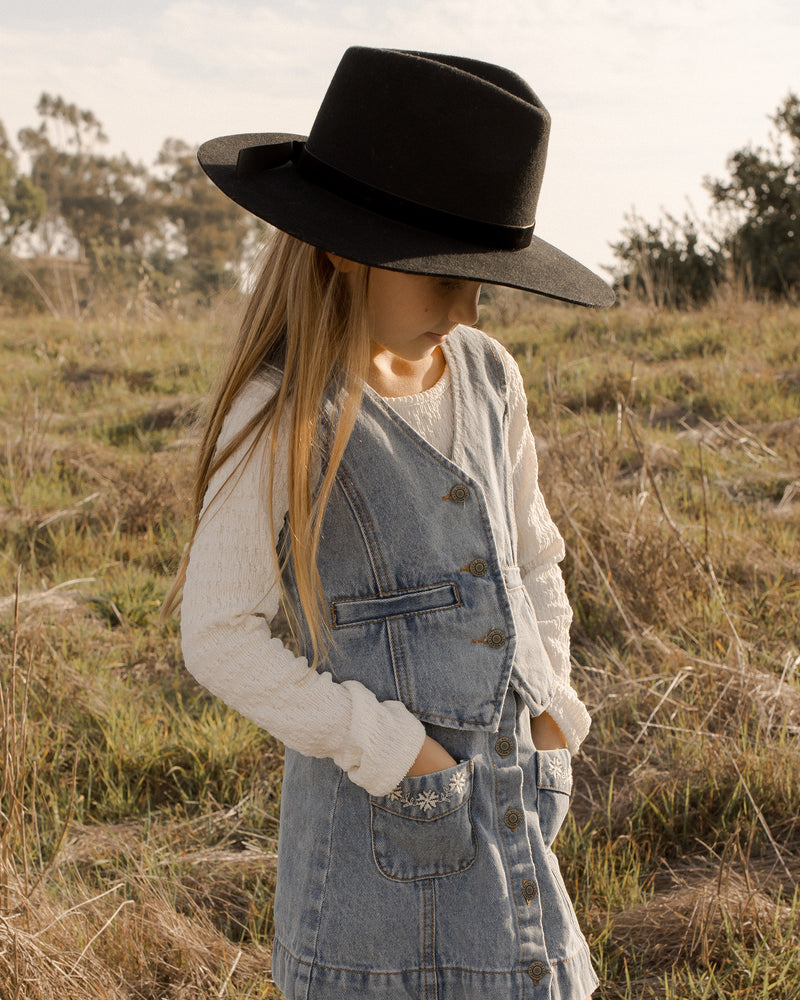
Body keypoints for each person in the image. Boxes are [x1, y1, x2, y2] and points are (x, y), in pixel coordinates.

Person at [170, 46, 613, 1000]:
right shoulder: (281, 408)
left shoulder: (490, 375)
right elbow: (217, 634)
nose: (465, 304)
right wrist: (390, 749)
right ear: (342, 243)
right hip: (377, 857)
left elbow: (534, 559)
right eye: (438, 272)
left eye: (480, 275)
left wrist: (552, 715)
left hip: (517, 813)